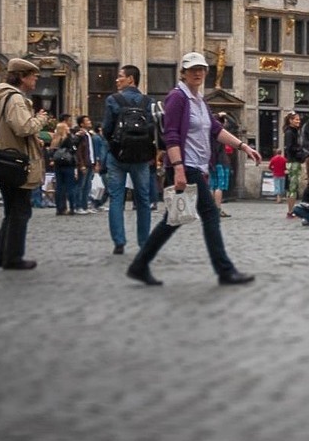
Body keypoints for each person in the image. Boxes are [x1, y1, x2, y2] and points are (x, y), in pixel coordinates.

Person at [125, 52, 258, 288]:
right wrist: (178, 168)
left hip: (195, 166)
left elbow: (215, 129)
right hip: (185, 166)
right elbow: (171, 134)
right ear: (183, 73)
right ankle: (225, 270)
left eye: (201, 69)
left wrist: (243, 146)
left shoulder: (199, 100)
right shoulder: (177, 97)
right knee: (210, 214)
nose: (198, 73)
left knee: (173, 219)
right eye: (192, 69)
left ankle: (139, 265)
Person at [0, 58, 52, 271]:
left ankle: (1, 256)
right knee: (21, 211)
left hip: (5, 161)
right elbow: (23, 127)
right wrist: (40, 119)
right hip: (16, 163)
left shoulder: (4, 96)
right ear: (22, 77)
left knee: (11, 211)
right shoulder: (15, 98)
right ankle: (13, 258)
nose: (35, 80)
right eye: (33, 76)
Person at [101, 65, 157, 256]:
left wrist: (114, 145)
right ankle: (144, 241)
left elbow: (107, 129)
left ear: (131, 79)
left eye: (120, 76)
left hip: (118, 156)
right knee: (143, 199)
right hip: (141, 157)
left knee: (117, 198)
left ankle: (119, 241)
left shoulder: (113, 100)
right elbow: (153, 129)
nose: (117, 80)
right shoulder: (148, 102)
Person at [46, 115, 81, 217]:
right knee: (70, 187)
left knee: (59, 187)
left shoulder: (55, 140)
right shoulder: (68, 139)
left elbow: (51, 153)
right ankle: (72, 207)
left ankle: (60, 208)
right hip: (68, 164)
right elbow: (74, 149)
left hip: (58, 165)